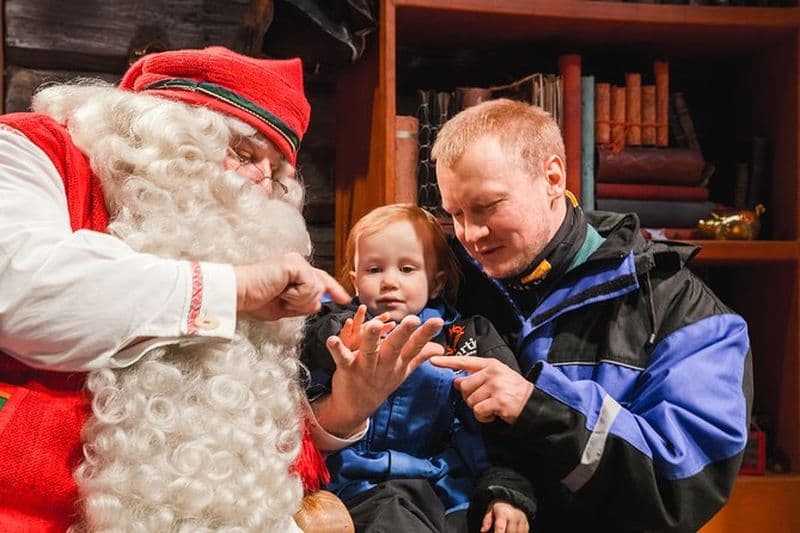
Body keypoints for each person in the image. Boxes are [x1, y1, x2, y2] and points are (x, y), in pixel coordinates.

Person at [0, 46, 442, 532]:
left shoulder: (230, 249)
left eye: (276, 175)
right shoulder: (31, 152)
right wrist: (231, 289)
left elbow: (230, 448)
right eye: (244, 153)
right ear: (150, 132)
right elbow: (18, 288)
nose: (258, 184)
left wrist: (346, 406)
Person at [428, 98, 753, 532]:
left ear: (552, 177)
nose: (471, 234)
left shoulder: (687, 313)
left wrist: (537, 407)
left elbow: (681, 490)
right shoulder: (443, 284)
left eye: (488, 207)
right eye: (456, 214)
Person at [302, 204, 536, 533]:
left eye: (407, 269)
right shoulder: (338, 326)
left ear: (436, 282)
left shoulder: (466, 338)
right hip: (347, 486)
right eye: (374, 270)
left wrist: (506, 492)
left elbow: (500, 432)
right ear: (354, 281)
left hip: (442, 488)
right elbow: (309, 350)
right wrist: (337, 341)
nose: (389, 282)